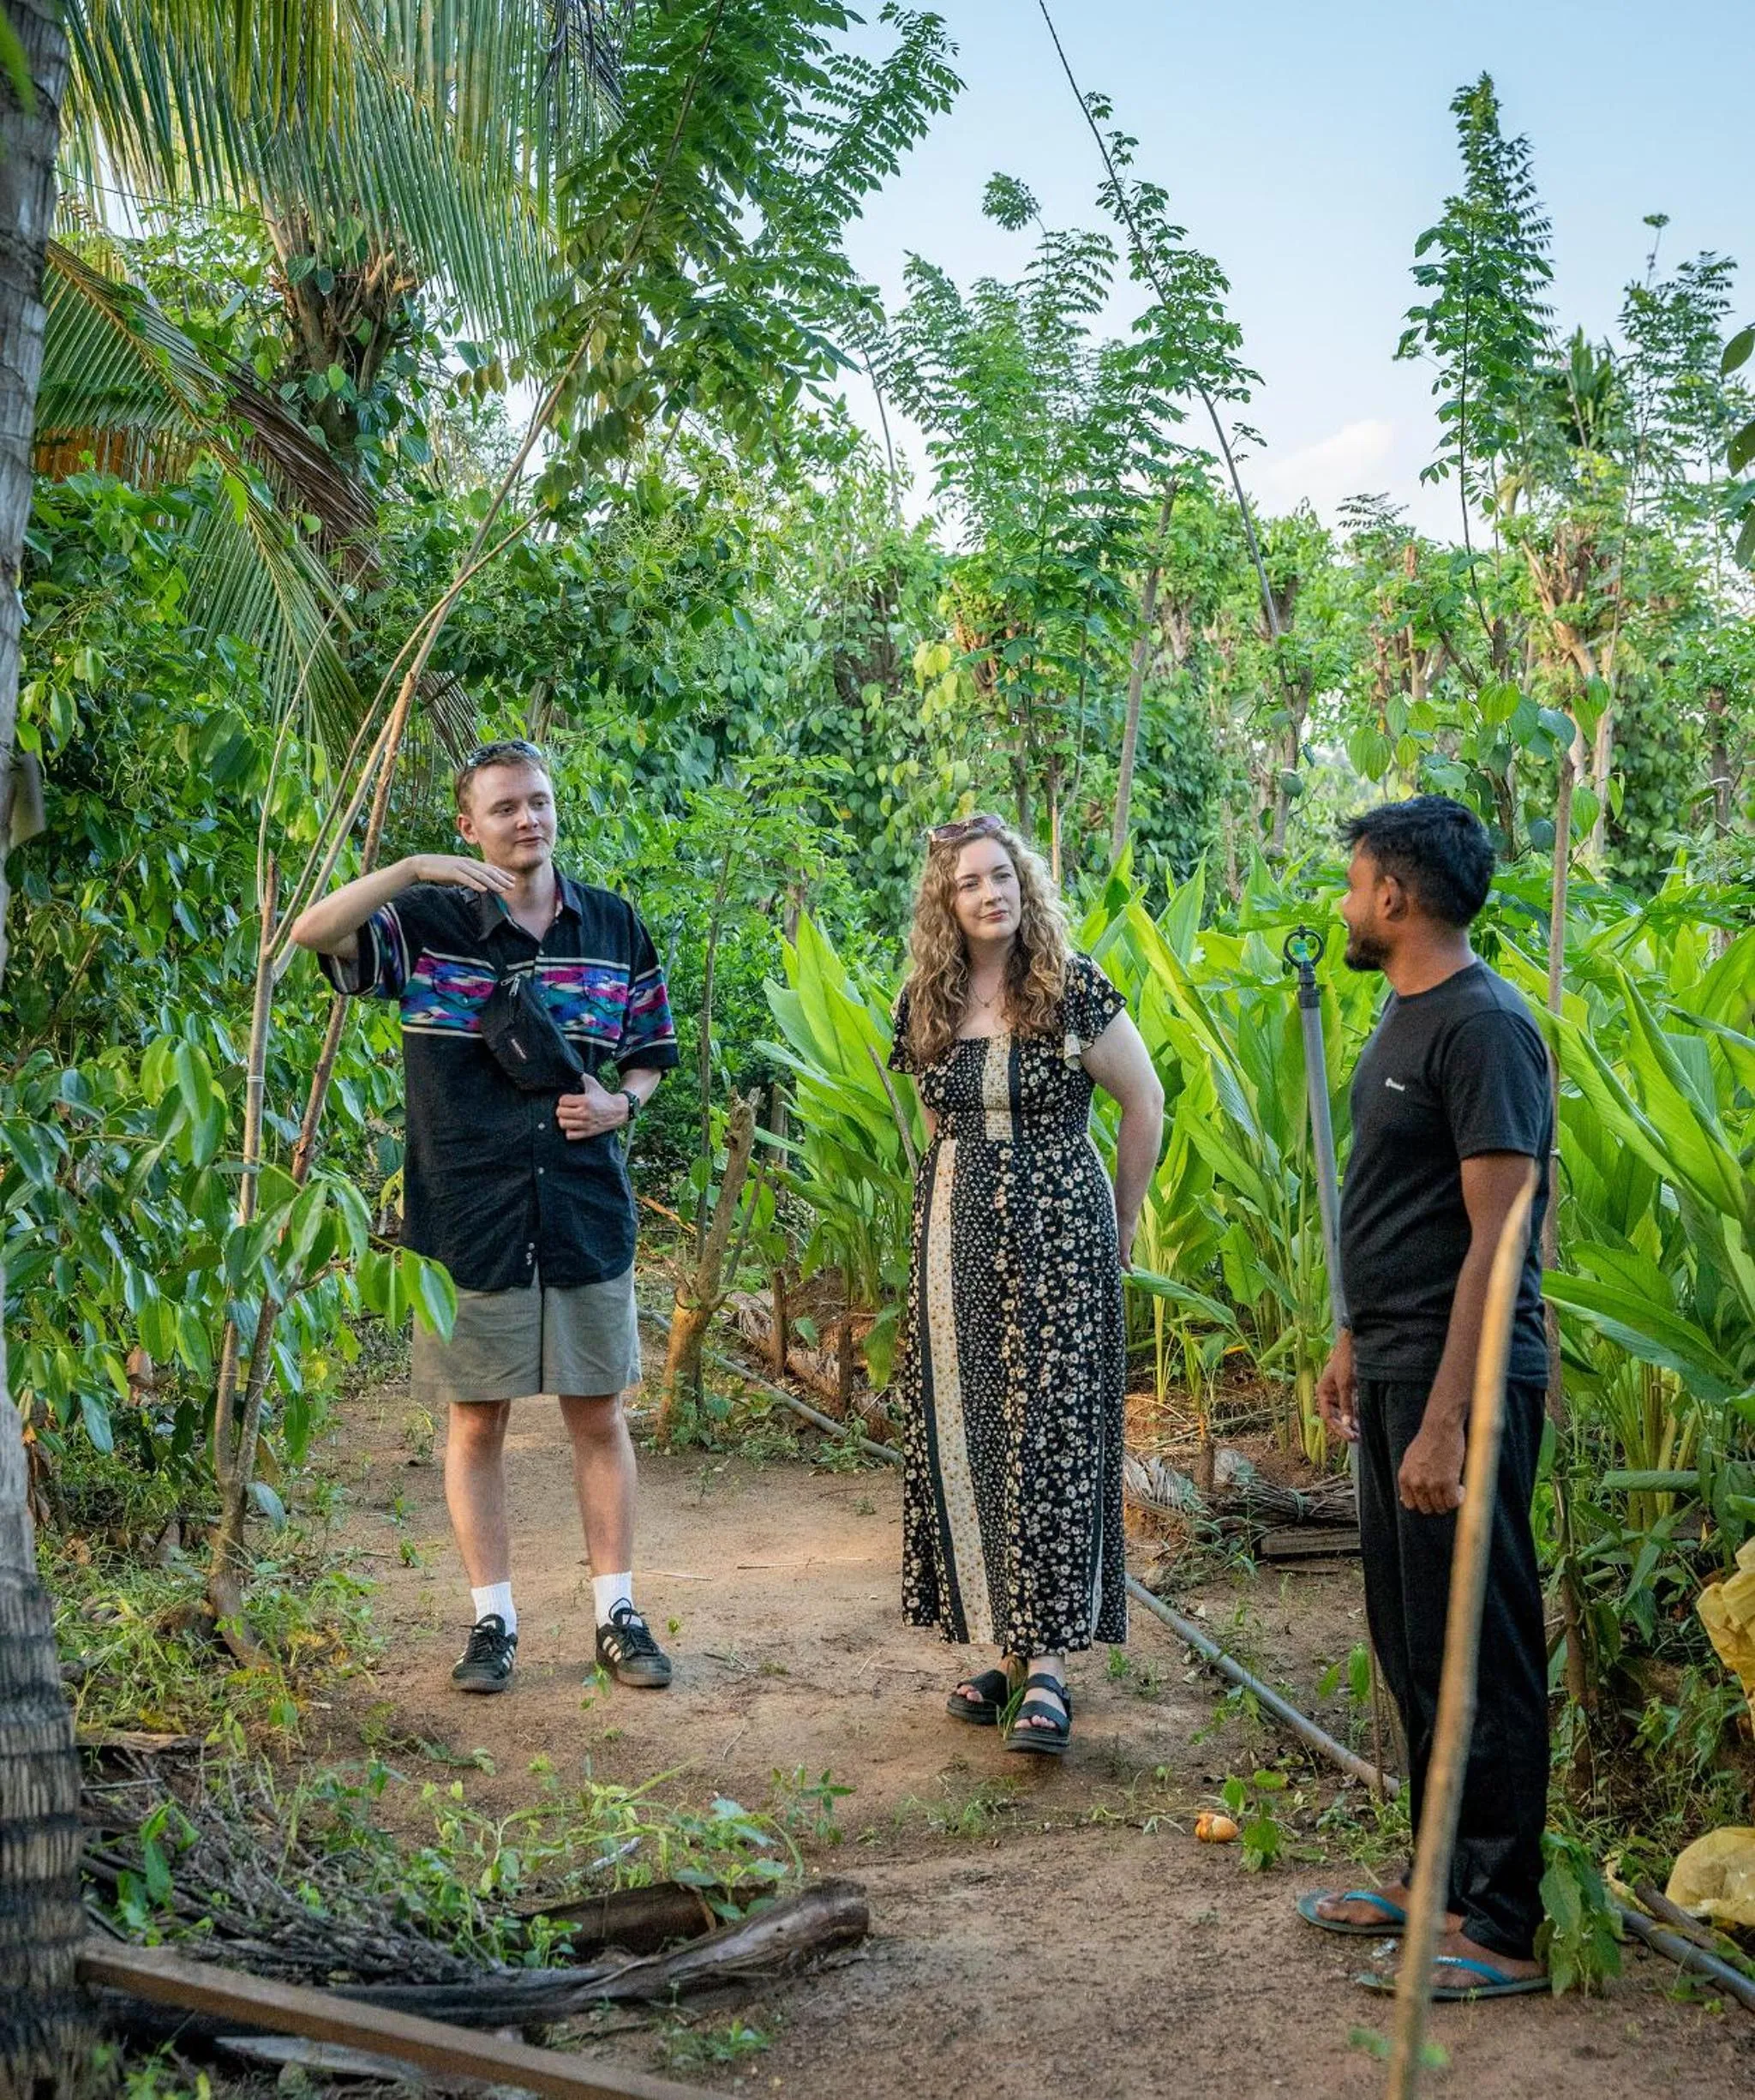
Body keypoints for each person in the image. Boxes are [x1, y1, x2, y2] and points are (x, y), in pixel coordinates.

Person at [288, 739, 680, 1696]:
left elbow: (651, 1050)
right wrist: (410, 868)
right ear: (469, 825)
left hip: (584, 1206)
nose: (526, 820)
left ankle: (615, 1613)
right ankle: (491, 1619)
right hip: (468, 1209)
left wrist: (620, 1103)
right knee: (476, 1421)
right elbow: (309, 930)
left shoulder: (614, 926)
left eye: (538, 802)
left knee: (598, 1412)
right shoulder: (422, 923)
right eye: (503, 807)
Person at [1296, 795, 1553, 2000]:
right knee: (1410, 1637)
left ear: (1396, 897)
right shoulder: (1405, 1016)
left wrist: (1451, 1413)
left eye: (1355, 884)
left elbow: (1499, 1238)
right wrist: (1353, 1334)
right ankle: (1437, 1876)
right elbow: (1396, 1206)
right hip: (1396, 1358)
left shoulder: (1486, 1026)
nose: (1346, 904)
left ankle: (1502, 1921)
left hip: (1469, 1378)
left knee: (1479, 1645)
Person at [886, 813, 1165, 1755]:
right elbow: (932, 1129)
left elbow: (1144, 1102)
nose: (989, 892)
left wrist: (1117, 1223)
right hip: (954, 1242)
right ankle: (1003, 1650)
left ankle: (1049, 1665)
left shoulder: (1071, 986)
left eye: (1001, 874)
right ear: (945, 902)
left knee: (1048, 1435)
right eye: (968, 881)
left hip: (1059, 1236)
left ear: (1024, 883)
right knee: (973, 1433)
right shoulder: (926, 998)